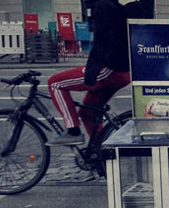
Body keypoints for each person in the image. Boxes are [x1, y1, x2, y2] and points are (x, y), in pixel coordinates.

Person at [46, 0, 130, 146]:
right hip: (121, 71)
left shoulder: (104, 5)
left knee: (55, 83)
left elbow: (103, 40)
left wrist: (92, 70)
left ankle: (73, 131)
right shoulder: (114, 6)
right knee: (88, 114)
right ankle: (99, 155)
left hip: (108, 69)